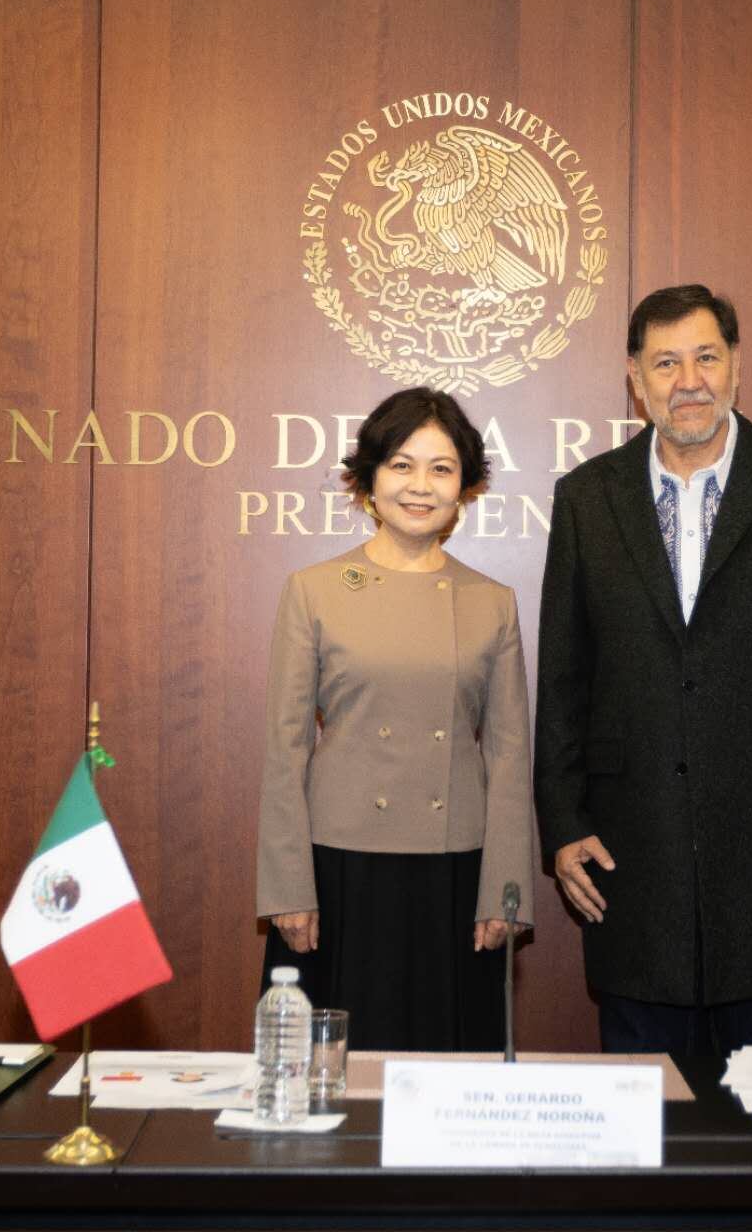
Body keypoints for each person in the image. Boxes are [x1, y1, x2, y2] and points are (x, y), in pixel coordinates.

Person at [534, 284, 752, 1060]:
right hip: (631, 847)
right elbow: (562, 679)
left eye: (705, 358)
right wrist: (564, 824)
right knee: (649, 1103)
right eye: (665, 363)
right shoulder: (586, 497)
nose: (688, 381)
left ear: (735, 365)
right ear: (635, 378)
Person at [256, 387, 535, 1052]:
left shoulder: (491, 602)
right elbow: (284, 748)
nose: (420, 485)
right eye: (402, 465)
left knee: (448, 1070)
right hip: (340, 869)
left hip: (454, 871)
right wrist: (288, 887)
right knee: (334, 1071)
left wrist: (506, 891)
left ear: (465, 486)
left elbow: (509, 755)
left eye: (441, 468)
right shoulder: (313, 590)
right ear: (370, 479)